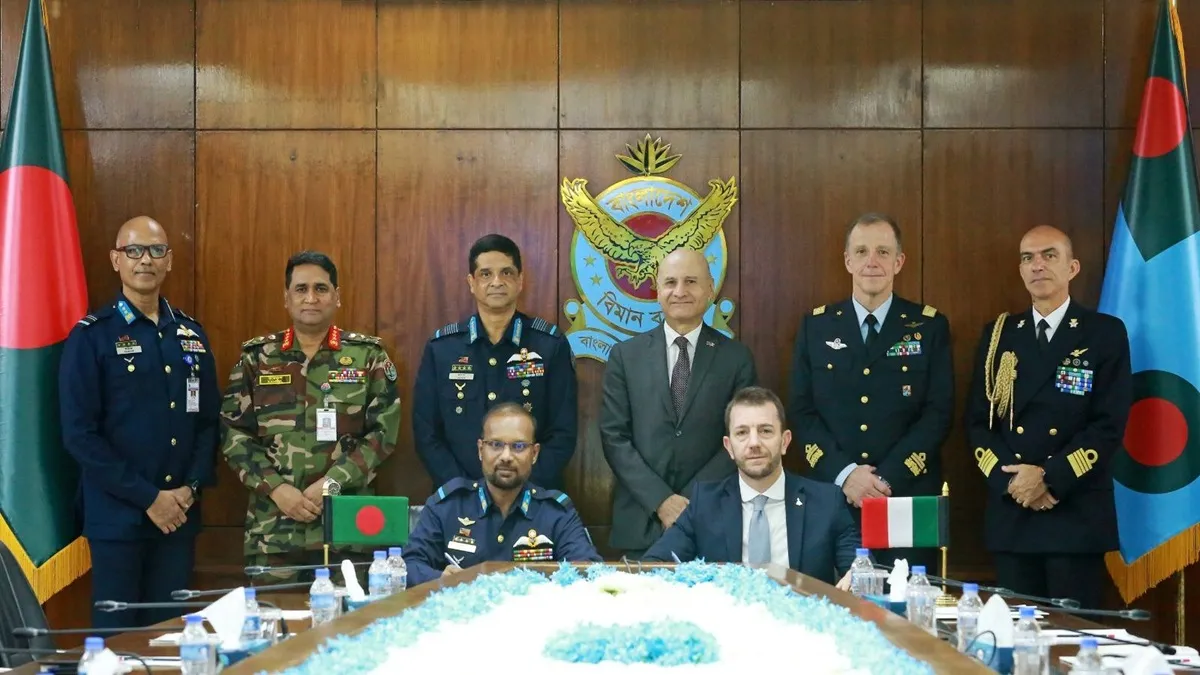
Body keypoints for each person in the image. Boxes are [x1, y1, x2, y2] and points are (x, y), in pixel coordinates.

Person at [59, 216, 219, 628]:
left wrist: (190, 489)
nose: (144, 260)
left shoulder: (191, 335)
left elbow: (207, 422)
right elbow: (80, 434)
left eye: (155, 250)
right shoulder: (92, 336)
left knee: (168, 637)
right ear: (116, 260)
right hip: (118, 518)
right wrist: (149, 498)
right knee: (116, 640)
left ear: (168, 260)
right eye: (134, 250)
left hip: (179, 518)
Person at [966, 225, 1131, 610]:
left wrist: (1049, 478)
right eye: (1028, 258)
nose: (1037, 265)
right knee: (1017, 644)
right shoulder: (999, 335)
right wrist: (1014, 483)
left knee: (1074, 647)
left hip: (1074, 513)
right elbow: (978, 422)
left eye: (1049, 255)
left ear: (1072, 268)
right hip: (1014, 515)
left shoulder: (1103, 333)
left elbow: (1108, 424)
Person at [220, 251, 402, 581]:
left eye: (321, 288)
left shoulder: (367, 356)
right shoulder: (257, 359)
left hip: (346, 528)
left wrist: (334, 482)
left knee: (350, 627)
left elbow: (383, 434)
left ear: (337, 297)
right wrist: (276, 489)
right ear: (286, 298)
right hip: (273, 532)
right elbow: (234, 435)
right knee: (277, 625)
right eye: (301, 289)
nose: (311, 298)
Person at [787, 213, 952, 572]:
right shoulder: (816, 325)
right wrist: (846, 474)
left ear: (899, 261)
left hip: (905, 496)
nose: (872, 262)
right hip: (833, 496)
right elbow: (801, 411)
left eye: (882, 251)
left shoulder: (929, 325)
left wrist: (884, 479)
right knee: (831, 611)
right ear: (848, 261)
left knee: (908, 611)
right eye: (861, 251)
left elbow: (938, 412)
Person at [601, 247, 757, 559]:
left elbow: (741, 437)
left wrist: (690, 503)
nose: (680, 291)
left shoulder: (736, 358)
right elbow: (613, 436)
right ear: (657, 290)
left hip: (711, 520)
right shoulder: (625, 356)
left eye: (691, 282)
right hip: (641, 522)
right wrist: (661, 500)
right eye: (670, 282)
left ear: (710, 289)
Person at [644, 387, 859, 587]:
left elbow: (862, 569)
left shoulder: (826, 502)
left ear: (785, 441)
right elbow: (654, 567)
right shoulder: (705, 504)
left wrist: (856, 577)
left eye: (765, 431)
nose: (754, 443)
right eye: (742, 433)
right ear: (729, 447)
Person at [413, 234, 577, 490]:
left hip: (532, 499)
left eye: (507, 273)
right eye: (486, 274)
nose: (497, 282)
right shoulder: (442, 349)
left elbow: (562, 432)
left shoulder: (550, 346)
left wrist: (521, 491)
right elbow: (427, 433)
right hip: (459, 499)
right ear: (472, 282)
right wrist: (463, 491)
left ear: (520, 281)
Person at [404, 403, 601, 585]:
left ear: (534, 454)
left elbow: (589, 572)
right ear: (481, 450)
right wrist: (441, 579)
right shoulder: (448, 506)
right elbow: (408, 565)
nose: (506, 457)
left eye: (519, 446)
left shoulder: (556, 514)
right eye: (496, 445)